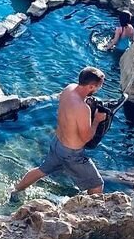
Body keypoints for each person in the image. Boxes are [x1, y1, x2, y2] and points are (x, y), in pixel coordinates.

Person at [12, 67, 108, 197]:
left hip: (58, 144)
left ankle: (15, 190)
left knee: (41, 170)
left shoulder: (69, 89)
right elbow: (86, 137)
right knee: (96, 185)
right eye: (98, 87)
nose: (98, 90)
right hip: (72, 154)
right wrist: (96, 120)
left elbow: (70, 113)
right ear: (91, 86)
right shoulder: (83, 108)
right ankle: (89, 208)